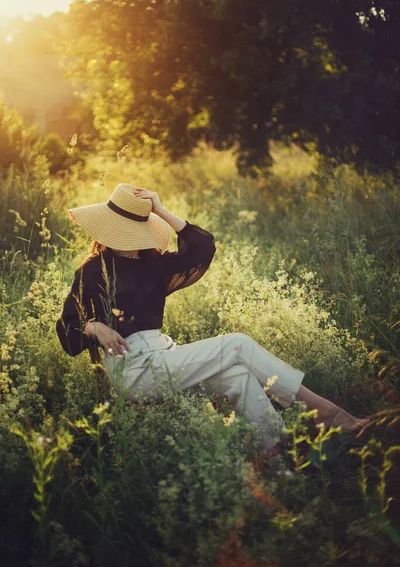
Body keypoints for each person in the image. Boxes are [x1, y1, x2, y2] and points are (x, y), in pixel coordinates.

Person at [56, 183, 369, 450]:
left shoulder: (152, 264)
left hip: (165, 356)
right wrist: (95, 326)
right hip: (133, 368)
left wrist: (162, 211)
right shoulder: (93, 269)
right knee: (238, 345)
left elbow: (202, 249)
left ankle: (278, 456)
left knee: (239, 377)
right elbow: (66, 328)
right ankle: (325, 413)